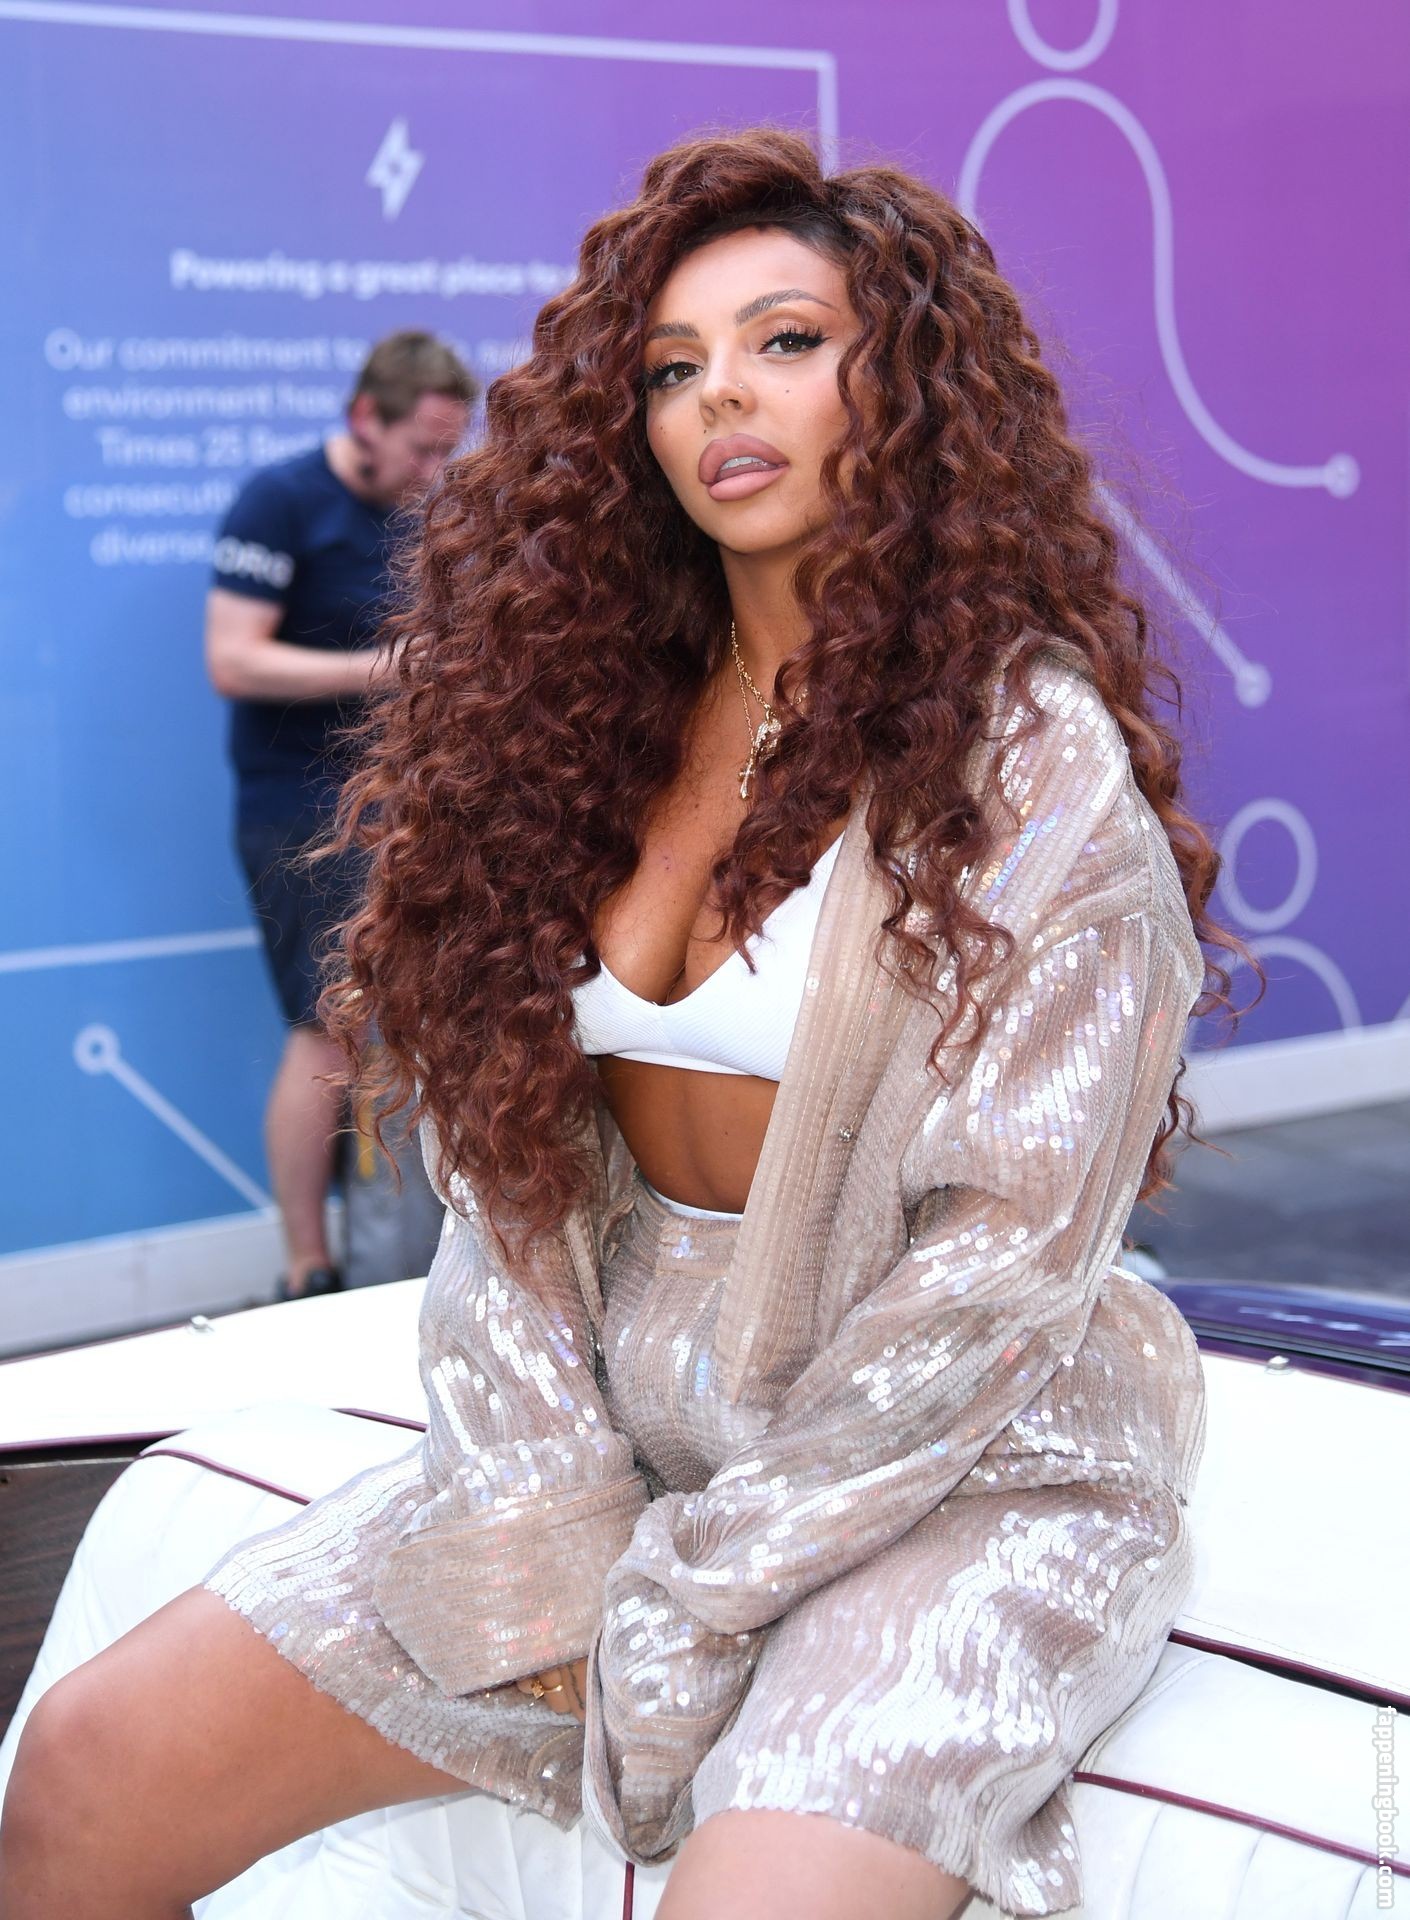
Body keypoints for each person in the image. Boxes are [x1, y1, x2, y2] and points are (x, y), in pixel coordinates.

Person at [0, 127, 1258, 1920]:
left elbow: (998, 1278)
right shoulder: (577, 716)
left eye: (786, 341)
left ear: (910, 387)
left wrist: (688, 1598)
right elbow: (504, 1175)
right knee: (86, 1769)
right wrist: (542, 1517)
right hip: (627, 1421)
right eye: (672, 368)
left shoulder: (1025, 758)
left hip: (958, 1460)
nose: (720, 395)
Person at [203, 331, 477, 1300]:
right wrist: (384, 672)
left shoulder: (425, 517)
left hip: (405, 805)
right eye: (421, 448)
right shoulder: (280, 501)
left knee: (429, 1027)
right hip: (300, 810)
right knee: (325, 1032)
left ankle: (412, 1264)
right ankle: (306, 1270)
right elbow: (233, 658)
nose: (434, 470)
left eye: (449, 449)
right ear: (366, 417)